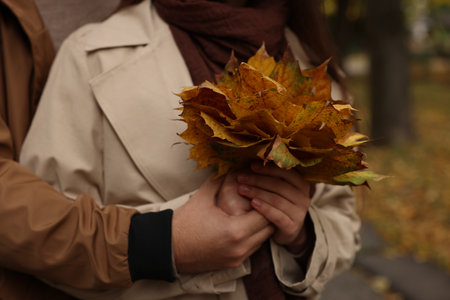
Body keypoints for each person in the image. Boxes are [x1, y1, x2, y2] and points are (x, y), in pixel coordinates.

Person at [19, 0, 361, 299]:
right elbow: (47, 241)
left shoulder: (316, 65)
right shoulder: (91, 56)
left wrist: (303, 236)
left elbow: (343, 222)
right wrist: (171, 243)